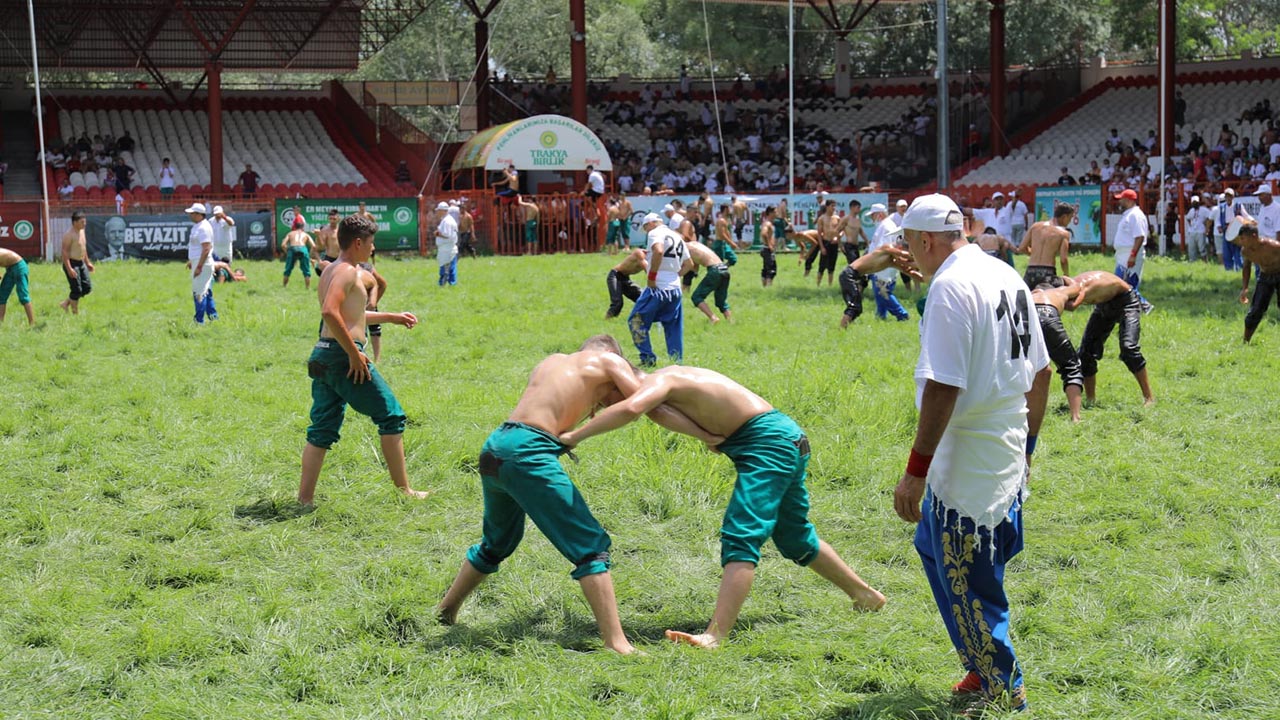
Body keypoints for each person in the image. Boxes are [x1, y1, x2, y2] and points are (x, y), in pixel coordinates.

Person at [559, 364, 886, 649]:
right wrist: (708, 435)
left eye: (602, 400)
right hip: (783, 438)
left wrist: (575, 435)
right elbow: (659, 413)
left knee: (740, 536)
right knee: (795, 537)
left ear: (618, 381)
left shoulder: (662, 381)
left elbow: (633, 409)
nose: (601, 407)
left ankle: (715, 636)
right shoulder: (671, 378)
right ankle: (865, 595)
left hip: (768, 445)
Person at [436, 334, 716, 654]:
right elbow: (646, 403)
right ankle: (617, 643)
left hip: (496, 446)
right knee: (590, 545)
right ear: (613, 355)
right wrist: (707, 435)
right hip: (529, 453)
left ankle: (445, 612)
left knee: (497, 543)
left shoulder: (551, 361)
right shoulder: (609, 361)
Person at [893, 193, 1049, 714]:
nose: (910, 255)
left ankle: (1004, 686)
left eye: (912, 245)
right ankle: (980, 665)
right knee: (932, 546)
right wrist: (1027, 446)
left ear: (930, 239)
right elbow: (1041, 371)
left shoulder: (951, 286)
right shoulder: (1005, 273)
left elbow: (943, 385)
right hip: (1004, 442)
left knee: (971, 579)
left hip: (968, 452)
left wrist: (915, 471)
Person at [296, 214, 425, 506]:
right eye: (371, 242)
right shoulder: (346, 272)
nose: (373, 248)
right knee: (392, 416)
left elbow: (349, 315)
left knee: (321, 430)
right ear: (357, 242)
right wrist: (355, 355)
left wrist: (391, 317)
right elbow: (330, 312)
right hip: (343, 356)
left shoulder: (330, 270)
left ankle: (304, 500)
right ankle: (404, 491)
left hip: (323, 354)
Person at [1071, 270, 1155, 406]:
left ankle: (1149, 398)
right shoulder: (1072, 283)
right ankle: (1090, 400)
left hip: (1126, 302)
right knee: (1086, 353)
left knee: (1129, 348)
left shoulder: (1083, 289)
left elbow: (1071, 306)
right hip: (1104, 304)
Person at [628, 213, 691, 366]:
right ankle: (677, 364)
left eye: (645, 227)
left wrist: (652, 276)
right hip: (675, 288)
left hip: (658, 287)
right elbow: (689, 264)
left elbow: (658, 251)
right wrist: (675, 276)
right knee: (673, 327)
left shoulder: (655, 233)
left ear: (650, 224)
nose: (646, 231)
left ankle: (647, 358)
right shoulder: (676, 236)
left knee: (635, 322)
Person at [838, 221, 916, 328]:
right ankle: (840, 330)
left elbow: (911, 272)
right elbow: (903, 254)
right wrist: (919, 254)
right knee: (854, 307)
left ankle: (843, 329)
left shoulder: (891, 261)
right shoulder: (886, 247)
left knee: (857, 308)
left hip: (856, 276)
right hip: (849, 275)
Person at [1029, 280, 1084, 423]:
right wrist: (1066, 278)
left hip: (1027, 319)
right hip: (1049, 316)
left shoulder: (1028, 295)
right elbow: (1077, 287)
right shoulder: (1058, 292)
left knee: (1024, 365)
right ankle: (1076, 417)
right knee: (1071, 367)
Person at [1231, 219, 1280, 343]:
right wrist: (1244, 288)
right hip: (1265, 276)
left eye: (1243, 239)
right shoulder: (1245, 251)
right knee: (1256, 310)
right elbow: (1246, 268)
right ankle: (1245, 341)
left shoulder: (1272, 246)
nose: (1241, 242)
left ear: (1254, 236)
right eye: (1240, 239)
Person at [1112, 189, 1153, 313]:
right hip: (1123, 254)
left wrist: (1133, 255)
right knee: (1122, 284)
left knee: (1126, 285)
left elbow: (1139, 236)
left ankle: (1144, 306)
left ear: (1129, 200)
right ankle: (1129, 308)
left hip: (1130, 253)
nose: (1120, 201)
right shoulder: (1129, 214)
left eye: (1122, 199)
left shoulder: (1136, 215)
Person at [866, 203, 909, 321]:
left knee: (883, 292)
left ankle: (901, 314)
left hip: (883, 266)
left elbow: (883, 248)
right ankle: (880, 316)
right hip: (884, 266)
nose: (871, 218)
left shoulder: (885, 227)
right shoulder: (887, 225)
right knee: (881, 292)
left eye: (873, 215)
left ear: (879, 214)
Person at [1016, 201, 1073, 287]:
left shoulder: (1035, 226)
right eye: (1070, 218)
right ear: (1064, 217)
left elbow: (1021, 248)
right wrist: (1066, 275)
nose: (1070, 221)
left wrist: (1034, 254)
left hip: (1030, 271)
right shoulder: (1063, 234)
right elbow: (1063, 259)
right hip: (1047, 272)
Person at [185, 203, 219, 323]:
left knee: (199, 292)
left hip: (203, 264)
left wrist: (199, 266)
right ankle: (213, 317)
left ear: (199, 214)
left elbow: (206, 248)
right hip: (200, 262)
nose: (190, 215)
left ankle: (199, 320)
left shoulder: (203, 227)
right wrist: (192, 261)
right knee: (206, 292)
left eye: (192, 213)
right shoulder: (198, 226)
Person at [685, 238, 732, 324]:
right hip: (724, 268)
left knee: (696, 297)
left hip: (714, 270)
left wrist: (677, 275)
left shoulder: (685, 249)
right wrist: (695, 272)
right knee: (721, 300)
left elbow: (689, 265)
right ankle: (730, 322)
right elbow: (695, 265)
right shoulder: (695, 244)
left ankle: (713, 318)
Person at [59, 211, 93, 314]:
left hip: (81, 263)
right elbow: (64, 253)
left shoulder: (82, 231)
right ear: (75, 222)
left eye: (85, 221)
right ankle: (75, 313)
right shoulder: (69, 235)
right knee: (76, 290)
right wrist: (69, 269)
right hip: (72, 263)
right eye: (82, 222)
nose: (84, 224)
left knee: (87, 288)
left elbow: (83, 248)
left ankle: (65, 303)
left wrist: (87, 262)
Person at [605, 248, 647, 319]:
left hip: (625, 278)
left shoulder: (651, 258)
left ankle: (645, 318)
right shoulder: (640, 254)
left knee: (643, 299)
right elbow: (649, 271)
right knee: (617, 303)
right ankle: (606, 321)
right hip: (615, 275)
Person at [0, 247, 35, 325]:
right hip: (10, 268)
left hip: (19, 267)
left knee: (23, 296)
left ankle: (32, 323)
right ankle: (1, 323)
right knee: (1, 296)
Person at [279, 221, 316, 290]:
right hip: (303, 248)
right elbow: (314, 246)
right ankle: (307, 288)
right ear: (303, 227)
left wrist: (288, 253)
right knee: (306, 270)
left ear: (294, 227)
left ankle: (284, 286)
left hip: (292, 248)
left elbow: (283, 245)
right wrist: (309, 255)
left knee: (288, 269)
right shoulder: (306, 234)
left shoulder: (290, 233)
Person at [1215, 189, 1244, 271]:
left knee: (1237, 250)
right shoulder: (1221, 207)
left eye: (1230, 196)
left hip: (1236, 230)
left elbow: (1244, 215)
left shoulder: (1238, 206)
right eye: (1227, 196)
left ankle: (1239, 267)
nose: (1228, 198)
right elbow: (1218, 219)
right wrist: (1219, 226)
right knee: (1226, 250)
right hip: (1226, 229)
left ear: (1233, 197)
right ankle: (1228, 268)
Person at [814, 200, 841, 286]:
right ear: (827, 207)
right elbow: (819, 233)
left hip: (834, 243)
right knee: (822, 265)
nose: (834, 208)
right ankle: (818, 284)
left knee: (832, 265)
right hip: (826, 242)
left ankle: (830, 284)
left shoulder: (837, 218)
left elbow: (842, 230)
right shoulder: (822, 218)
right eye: (832, 206)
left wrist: (838, 237)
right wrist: (821, 247)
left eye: (834, 206)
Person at [434, 201, 459, 286]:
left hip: (447, 248)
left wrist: (437, 234)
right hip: (448, 247)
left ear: (443, 210)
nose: (437, 212)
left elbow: (447, 234)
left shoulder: (447, 221)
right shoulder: (447, 219)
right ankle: (452, 283)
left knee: (445, 267)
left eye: (439, 210)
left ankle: (443, 283)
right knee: (451, 266)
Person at [1183, 195, 1213, 262]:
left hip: (1201, 231)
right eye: (1193, 202)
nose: (1195, 203)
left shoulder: (1204, 210)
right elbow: (1188, 218)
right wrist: (1191, 225)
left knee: (1202, 248)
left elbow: (1210, 218)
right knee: (1191, 248)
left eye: (1196, 202)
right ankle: (1192, 262)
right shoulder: (1191, 210)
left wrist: (1207, 228)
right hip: (1192, 231)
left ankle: (1205, 262)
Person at [315, 209, 342, 273]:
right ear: (328, 218)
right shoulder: (325, 230)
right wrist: (318, 236)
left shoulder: (342, 230)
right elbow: (321, 246)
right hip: (330, 258)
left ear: (338, 218)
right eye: (330, 219)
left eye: (334, 219)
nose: (332, 221)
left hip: (341, 258)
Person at [760, 205, 778, 287]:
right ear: (770, 213)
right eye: (775, 212)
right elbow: (764, 234)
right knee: (771, 270)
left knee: (766, 269)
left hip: (767, 249)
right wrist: (769, 245)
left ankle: (764, 286)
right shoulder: (767, 223)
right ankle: (768, 287)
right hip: (768, 249)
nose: (776, 213)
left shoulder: (769, 223)